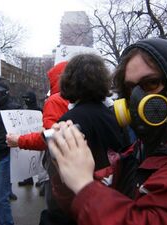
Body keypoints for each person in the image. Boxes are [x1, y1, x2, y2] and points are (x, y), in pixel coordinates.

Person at [48, 38, 167, 225]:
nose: (138, 98)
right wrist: (66, 172)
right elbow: (86, 204)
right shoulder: (145, 147)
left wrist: (84, 185)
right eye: (131, 88)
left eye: (151, 83)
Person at [48, 54, 130, 222]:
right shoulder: (112, 115)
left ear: (69, 81)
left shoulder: (68, 121)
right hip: (112, 200)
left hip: (83, 204)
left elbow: (60, 177)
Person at [6, 61, 69, 224]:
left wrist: (19, 140)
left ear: (57, 79)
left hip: (60, 169)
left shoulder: (55, 100)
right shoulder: (90, 100)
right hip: (83, 170)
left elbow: (50, 137)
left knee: (56, 212)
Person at [0, 77, 21, 225]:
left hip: (5, 155)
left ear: (5, 94)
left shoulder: (13, 108)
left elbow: (20, 131)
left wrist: (4, 142)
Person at [17, 91, 43, 187]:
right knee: (27, 159)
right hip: (28, 137)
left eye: (27, 99)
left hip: (37, 137)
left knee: (40, 160)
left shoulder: (39, 111)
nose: (26, 101)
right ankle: (28, 179)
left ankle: (41, 180)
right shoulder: (25, 111)